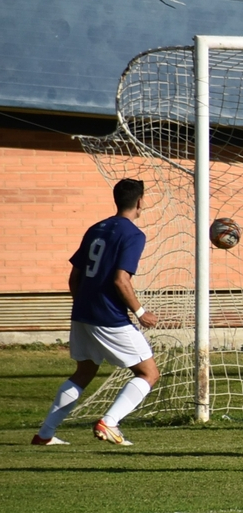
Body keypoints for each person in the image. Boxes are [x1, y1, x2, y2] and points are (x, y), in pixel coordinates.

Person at [31, 178, 160, 446]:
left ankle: (44, 434)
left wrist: (83, 305)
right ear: (140, 202)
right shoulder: (133, 234)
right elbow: (121, 280)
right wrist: (140, 312)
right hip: (109, 316)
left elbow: (74, 277)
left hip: (82, 312)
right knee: (148, 373)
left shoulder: (96, 229)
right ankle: (109, 423)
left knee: (84, 372)